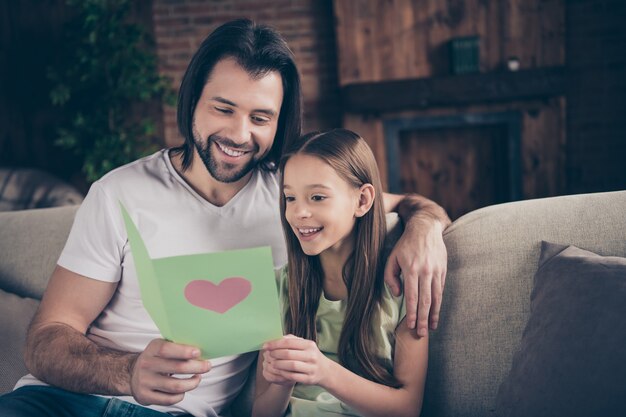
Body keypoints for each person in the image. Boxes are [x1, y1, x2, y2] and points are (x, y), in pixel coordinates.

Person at [0, 19, 448, 417]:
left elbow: (401, 203)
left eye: (260, 117)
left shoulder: (295, 200)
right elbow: (47, 338)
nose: (239, 134)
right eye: (224, 108)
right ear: (193, 99)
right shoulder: (118, 192)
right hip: (55, 401)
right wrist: (128, 371)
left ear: (279, 123)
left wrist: (424, 227)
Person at [251, 129, 428, 417]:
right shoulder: (279, 287)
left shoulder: (400, 286)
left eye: (317, 197)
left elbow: (407, 408)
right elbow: (261, 412)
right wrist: (282, 381)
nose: (298, 213)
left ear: (362, 201)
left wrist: (323, 372)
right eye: (290, 198)